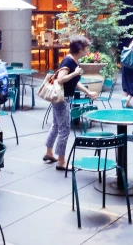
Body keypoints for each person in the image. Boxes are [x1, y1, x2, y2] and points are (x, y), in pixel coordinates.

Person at [43, 36, 97, 170]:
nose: (87, 51)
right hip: (63, 99)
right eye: (86, 49)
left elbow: (75, 82)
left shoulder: (73, 61)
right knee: (65, 130)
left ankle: (49, 153)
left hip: (63, 98)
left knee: (56, 126)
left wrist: (88, 92)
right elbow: (61, 79)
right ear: (79, 49)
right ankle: (61, 161)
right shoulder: (69, 61)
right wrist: (74, 73)